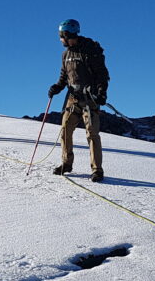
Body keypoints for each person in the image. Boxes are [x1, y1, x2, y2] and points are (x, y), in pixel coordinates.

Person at [47, 19, 110, 182]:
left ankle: (97, 170)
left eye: (62, 37)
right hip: (72, 99)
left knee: (92, 133)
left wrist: (102, 93)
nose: (61, 40)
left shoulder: (89, 51)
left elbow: (102, 75)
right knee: (65, 130)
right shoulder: (65, 54)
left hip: (90, 100)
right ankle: (66, 164)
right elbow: (64, 76)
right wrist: (56, 87)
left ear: (68, 35)